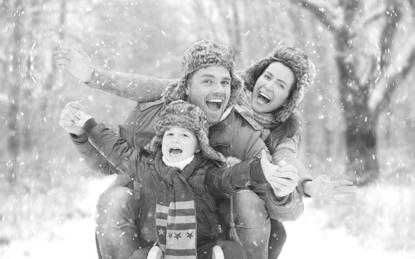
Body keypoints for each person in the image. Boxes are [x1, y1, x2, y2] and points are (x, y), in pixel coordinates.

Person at [57, 40, 304, 259]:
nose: (219, 89)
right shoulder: (152, 115)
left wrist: (281, 190)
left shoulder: (242, 132)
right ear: (187, 85)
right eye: (208, 80)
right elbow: (111, 161)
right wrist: (81, 133)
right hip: (155, 223)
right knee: (113, 200)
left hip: (211, 233)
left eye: (225, 82)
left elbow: (262, 183)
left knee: (250, 202)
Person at [61, 100, 290, 259]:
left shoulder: (206, 174)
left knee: (235, 253)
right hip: (161, 247)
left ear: (198, 145)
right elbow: (118, 149)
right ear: (161, 141)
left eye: (184, 135)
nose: (175, 140)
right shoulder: (148, 168)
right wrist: (89, 125)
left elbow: (233, 176)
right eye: (170, 134)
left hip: (203, 247)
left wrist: (260, 168)